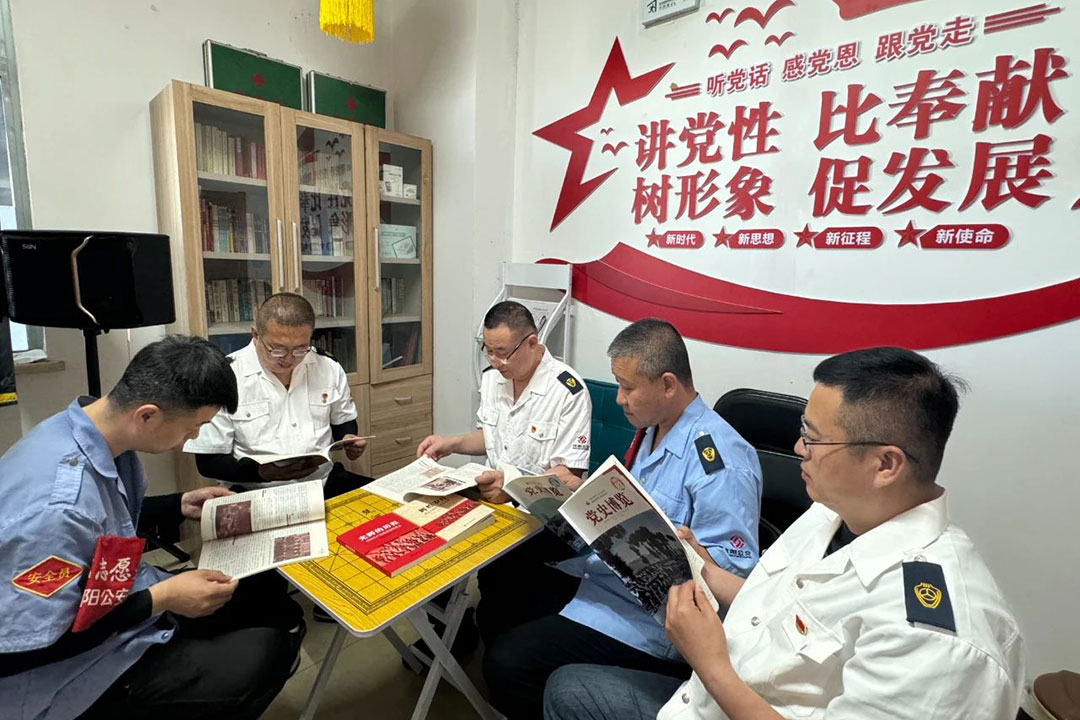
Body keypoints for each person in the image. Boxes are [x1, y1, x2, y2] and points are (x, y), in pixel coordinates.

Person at [543, 347, 1025, 720]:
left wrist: (709, 661)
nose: (797, 448)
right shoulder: (833, 513)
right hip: (709, 692)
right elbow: (781, 601)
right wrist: (702, 568)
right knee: (567, 687)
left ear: (885, 464)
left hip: (723, 686)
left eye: (813, 438)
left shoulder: (938, 638)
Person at [0, 335, 303, 720]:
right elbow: (25, 648)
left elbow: (99, 522)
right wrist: (161, 598)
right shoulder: (55, 509)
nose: (193, 437)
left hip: (119, 597)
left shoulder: (79, 428)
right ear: (148, 415)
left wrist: (177, 505)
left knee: (264, 592)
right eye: (193, 427)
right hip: (65, 674)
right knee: (266, 651)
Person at [483, 318, 763, 720]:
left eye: (628, 387)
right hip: (607, 580)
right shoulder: (653, 429)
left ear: (668, 385)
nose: (619, 399)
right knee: (501, 581)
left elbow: (734, 580)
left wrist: (690, 554)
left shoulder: (721, 461)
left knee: (507, 664)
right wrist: (575, 499)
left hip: (648, 623)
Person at [415, 300, 593, 643]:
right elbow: (492, 437)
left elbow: (566, 476)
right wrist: (451, 443)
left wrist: (509, 485)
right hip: (493, 499)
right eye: (488, 351)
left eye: (503, 353)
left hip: (540, 517)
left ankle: (479, 636)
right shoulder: (493, 379)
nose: (495, 362)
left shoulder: (567, 391)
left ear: (532, 343)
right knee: (428, 537)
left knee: (497, 588)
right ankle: (450, 630)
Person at [184, 292, 371, 498]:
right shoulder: (223, 376)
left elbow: (343, 421)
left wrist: (348, 439)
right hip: (254, 489)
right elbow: (208, 462)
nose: (288, 359)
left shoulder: (328, 366)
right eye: (278, 350)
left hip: (322, 482)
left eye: (300, 349)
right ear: (256, 335)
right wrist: (261, 473)